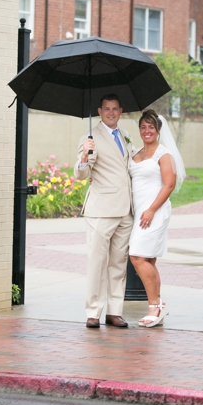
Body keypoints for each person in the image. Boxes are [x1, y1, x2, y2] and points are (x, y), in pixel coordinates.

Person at [74, 94, 133, 330]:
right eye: (106, 109)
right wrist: (84, 155)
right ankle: (93, 313)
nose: (111, 113)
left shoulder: (125, 135)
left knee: (118, 264)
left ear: (121, 111)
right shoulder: (91, 138)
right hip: (101, 210)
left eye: (115, 109)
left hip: (125, 211)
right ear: (99, 111)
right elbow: (81, 174)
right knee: (97, 264)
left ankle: (115, 312)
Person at [128, 110, 184, 327]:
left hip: (155, 212)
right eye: (143, 127)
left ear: (158, 130)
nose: (147, 131)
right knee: (148, 259)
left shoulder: (164, 154)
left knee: (137, 257)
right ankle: (157, 307)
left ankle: (155, 305)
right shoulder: (136, 153)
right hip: (139, 212)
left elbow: (169, 184)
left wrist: (151, 210)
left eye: (151, 127)